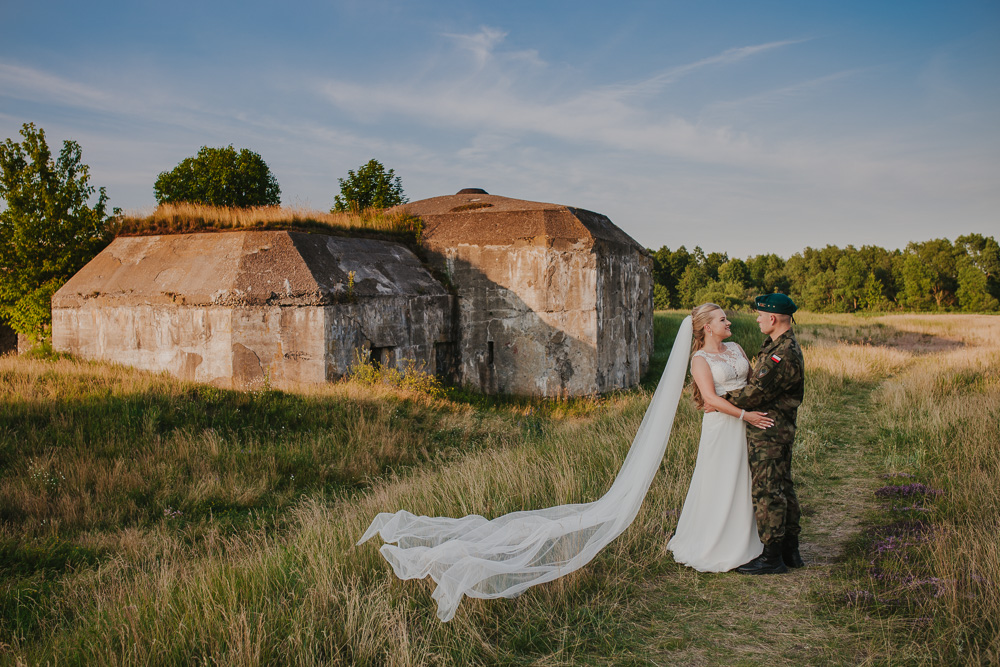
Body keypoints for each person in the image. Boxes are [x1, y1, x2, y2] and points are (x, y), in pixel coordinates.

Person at [667, 303, 774, 572]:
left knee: (745, 478)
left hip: (745, 423)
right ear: (708, 327)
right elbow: (710, 399)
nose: (728, 323)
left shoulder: (736, 348)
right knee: (720, 479)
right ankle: (716, 543)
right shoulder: (700, 360)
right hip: (723, 426)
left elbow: (751, 382)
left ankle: (748, 539)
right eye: (722, 319)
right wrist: (745, 415)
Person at [726, 293, 805, 575]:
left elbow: (755, 393)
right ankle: (790, 550)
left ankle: (772, 556)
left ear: (772, 318)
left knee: (768, 490)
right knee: (782, 485)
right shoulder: (779, 345)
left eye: (760, 315)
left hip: (770, 430)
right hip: (778, 427)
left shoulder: (781, 353)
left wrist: (719, 398)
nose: (757, 318)